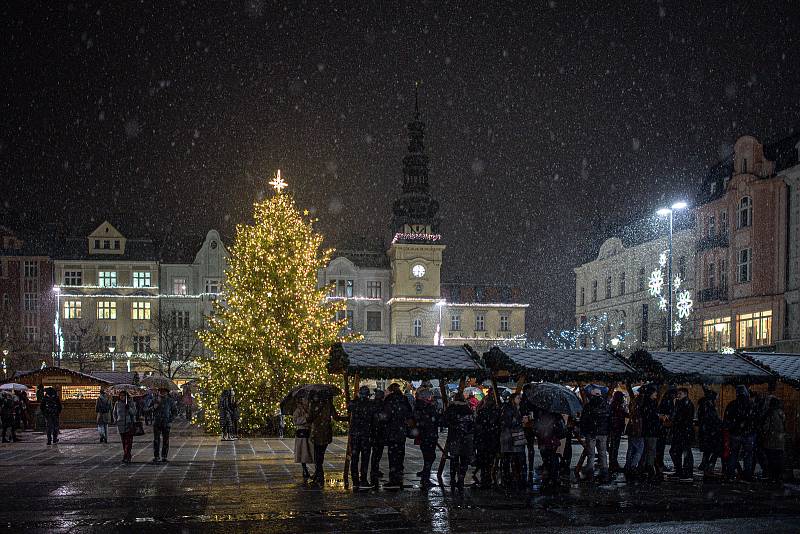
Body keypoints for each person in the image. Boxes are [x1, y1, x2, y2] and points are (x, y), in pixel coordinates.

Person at [309, 393, 346, 486]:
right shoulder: (329, 405)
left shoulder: (313, 405)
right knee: (320, 455)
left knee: (317, 456)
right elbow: (336, 418)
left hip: (317, 433)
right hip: (326, 433)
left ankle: (319, 477)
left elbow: (309, 419)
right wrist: (348, 418)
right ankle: (318, 475)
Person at [382, 383, 412, 489]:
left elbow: (385, 415)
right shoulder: (403, 400)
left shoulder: (389, 400)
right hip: (401, 431)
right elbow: (409, 414)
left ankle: (393, 478)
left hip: (392, 431)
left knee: (392, 455)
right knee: (400, 454)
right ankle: (399, 475)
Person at [444, 390, 475, 493]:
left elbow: (446, 421)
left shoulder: (451, 408)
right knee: (464, 459)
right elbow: (472, 423)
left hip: (455, 437)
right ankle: (461, 478)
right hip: (466, 437)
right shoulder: (468, 408)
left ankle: (453, 479)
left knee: (454, 459)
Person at [724, 385, 756, 482]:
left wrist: (731, 428)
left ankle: (730, 475)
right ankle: (748, 475)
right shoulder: (751, 405)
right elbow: (755, 419)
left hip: (735, 434)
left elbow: (727, 419)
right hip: (748, 434)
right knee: (748, 455)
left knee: (733, 454)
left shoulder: (732, 404)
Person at [348, 385, 376, 490]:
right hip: (365, 435)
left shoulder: (354, 403)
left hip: (356, 434)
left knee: (355, 458)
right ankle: (363, 479)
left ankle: (356, 480)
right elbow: (374, 419)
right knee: (364, 458)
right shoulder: (370, 405)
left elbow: (349, 406)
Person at [580, 388, 611, 482]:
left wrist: (584, 431)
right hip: (603, 433)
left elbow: (584, 420)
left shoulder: (588, 406)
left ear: (591, 395)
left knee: (591, 454)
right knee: (603, 453)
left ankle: (590, 473)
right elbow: (609, 420)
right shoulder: (606, 405)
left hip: (591, 433)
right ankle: (605, 473)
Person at [475, 390, 501, 489]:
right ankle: (488, 478)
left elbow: (478, 426)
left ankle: (484, 478)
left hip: (483, 439)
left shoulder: (482, 411)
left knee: (483, 460)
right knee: (490, 460)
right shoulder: (496, 411)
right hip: (492, 439)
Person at [500, 392, 526, 492]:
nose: (520, 400)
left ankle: (509, 478)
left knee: (509, 458)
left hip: (510, 437)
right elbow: (509, 423)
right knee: (511, 457)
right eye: (518, 398)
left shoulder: (512, 408)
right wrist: (521, 421)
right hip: (511, 437)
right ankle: (511, 478)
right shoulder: (510, 409)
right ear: (513, 399)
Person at [413, 387, 439, 488]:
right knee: (430, 457)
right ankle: (425, 478)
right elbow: (434, 419)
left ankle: (425, 476)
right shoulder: (428, 407)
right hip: (429, 434)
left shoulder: (419, 407)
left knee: (428, 456)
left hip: (424, 435)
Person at [668, 387, 695, 481]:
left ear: (685, 394)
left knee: (684, 452)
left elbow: (684, 419)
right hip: (680, 432)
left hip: (683, 432)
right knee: (675, 451)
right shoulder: (680, 403)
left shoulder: (686, 404)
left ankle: (687, 473)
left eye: (680, 393)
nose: (678, 395)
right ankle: (680, 471)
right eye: (678, 393)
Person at [696, 388, 722, 476]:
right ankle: (709, 466)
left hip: (706, 433)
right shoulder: (709, 408)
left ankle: (705, 464)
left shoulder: (703, 406)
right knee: (715, 450)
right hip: (711, 433)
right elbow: (712, 420)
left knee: (708, 450)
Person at [760, 396, 785, 483]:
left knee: (771, 459)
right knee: (779, 459)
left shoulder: (770, 413)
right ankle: (778, 476)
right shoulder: (781, 413)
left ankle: (772, 476)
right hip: (780, 441)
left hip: (771, 441)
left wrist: (763, 434)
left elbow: (766, 427)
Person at [640, 385, 662, 483]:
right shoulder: (651, 403)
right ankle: (649, 468)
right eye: (654, 392)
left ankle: (644, 467)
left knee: (646, 449)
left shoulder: (645, 403)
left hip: (647, 430)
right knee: (651, 450)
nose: (656, 394)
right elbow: (651, 416)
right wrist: (658, 417)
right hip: (651, 431)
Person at [152, 387, 177, 463]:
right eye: (160, 391)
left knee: (166, 440)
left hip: (166, 423)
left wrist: (170, 420)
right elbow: (146, 409)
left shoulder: (170, 401)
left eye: (164, 391)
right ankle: (156, 456)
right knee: (156, 440)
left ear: (167, 392)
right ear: (158, 392)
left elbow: (175, 412)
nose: (162, 393)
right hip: (157, 422)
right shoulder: (155, 400)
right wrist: (154, 407)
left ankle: (164, 456)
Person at [623, 389, 644, 482]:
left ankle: (628, 466)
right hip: (637, 430)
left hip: (632, 429)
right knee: (639, 449)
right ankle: (632, 466)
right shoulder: (641, 403)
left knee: (631, 449)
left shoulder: (634, 402)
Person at [291, 398, 314, 480]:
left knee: (311, 450)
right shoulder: (298, 410)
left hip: (309, 432)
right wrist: (305, 419)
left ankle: (314, 470)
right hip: (302, 433)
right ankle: (304, 469)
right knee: (303, 451)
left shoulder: (310, 408)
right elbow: (295, 421)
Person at [656, 387, 676, 475]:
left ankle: (658, 464)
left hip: (660, 428)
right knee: (660, 447)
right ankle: (659, 464)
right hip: (662, 428)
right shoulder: (668, 402)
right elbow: (668, 414)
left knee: (659, 447)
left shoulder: (665, 401)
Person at [113, 390, 137, 463]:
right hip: (120, 424)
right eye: (121, 395)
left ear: (126, 396)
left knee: (129, 441)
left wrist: (129, 408)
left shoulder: (130, 403)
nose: (122, 397)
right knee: (124, 441)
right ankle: (126, 454)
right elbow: (114, 412)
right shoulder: (117, 403)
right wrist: (115, 420)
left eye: (123, 395)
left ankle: (127, 455)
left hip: (129, 424)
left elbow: (134, 412)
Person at [369, 389, 387, 486]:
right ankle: (374, 469)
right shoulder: (382, 405)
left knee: (375, 453)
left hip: (374, 432)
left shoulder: (372, 404)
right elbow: (385, 418)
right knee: (377, 452)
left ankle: (374, 469)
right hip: (379, 432)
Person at [608, 391, 628, 473]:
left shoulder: (614, 405)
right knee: (614, 446)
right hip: (616, 429)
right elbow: (621, 415)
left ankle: (613, 462)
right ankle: (613, 463)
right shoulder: (617, 406)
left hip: (614, 428)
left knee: (614, 446)